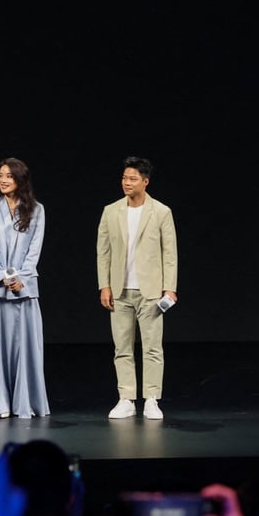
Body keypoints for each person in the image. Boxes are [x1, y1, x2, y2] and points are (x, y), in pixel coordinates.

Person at [97, 156, 178, 421]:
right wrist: (104, 285)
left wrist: (169, 288)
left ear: (145, 181)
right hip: (120, 290)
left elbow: (169, 253)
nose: (127, 183)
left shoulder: (161, 212)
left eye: (132, 179)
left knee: (152, 347)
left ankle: (152, 398)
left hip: (150, 290)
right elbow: (103, 252)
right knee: (122, 347)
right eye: (124, 178)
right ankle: (126, 398)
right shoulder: (111, 211)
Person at [0, 157, 50, 420]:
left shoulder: (36, 210)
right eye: (1, 175)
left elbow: (34, 248)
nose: (3, 180)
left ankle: (25, 402)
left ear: (20, 180)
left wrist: (21, 277)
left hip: (24, 287)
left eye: (9, 176)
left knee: (25, 345)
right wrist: (2, 276)